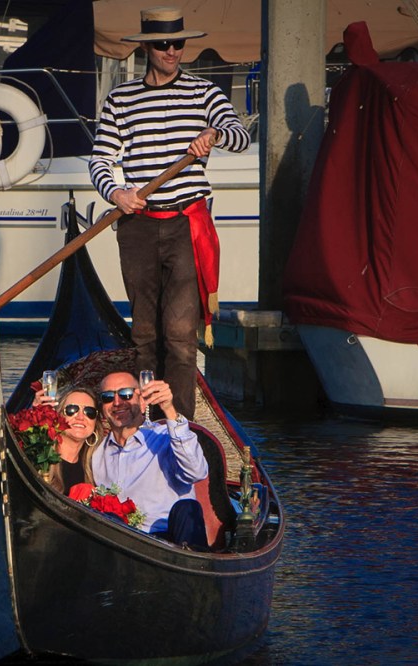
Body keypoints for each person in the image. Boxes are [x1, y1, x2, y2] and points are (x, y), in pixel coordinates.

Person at [88, 6, 252, 420]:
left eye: (178, 43)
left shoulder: (204, 94)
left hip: (185, 225)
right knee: (144, 335)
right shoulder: (121, 99)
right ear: (146, 47)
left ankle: (179, 426)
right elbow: (100, 159)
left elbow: (239, 134)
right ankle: (145, 420)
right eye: (163, 44)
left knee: (180, 336)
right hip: (138, 226)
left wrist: (213, 133)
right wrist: (118, 194)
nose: (173, 51)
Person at [90, 370, 209, 549]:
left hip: (170, 541)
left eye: (126, 394)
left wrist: (169, 410)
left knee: (187, 507)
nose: (116, 402)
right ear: (102, 407)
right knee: (107, 519)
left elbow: (196, 471)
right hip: (120, 544)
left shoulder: (165, 437)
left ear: (142, 400)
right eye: (108, 397)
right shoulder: (97, 453)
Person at [33, 385, 103, 494]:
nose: (80, 417)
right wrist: (36, 417)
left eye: (89, 412)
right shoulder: (38, 461)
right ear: (58, 415)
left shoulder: (95, 469)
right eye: (71, 410)